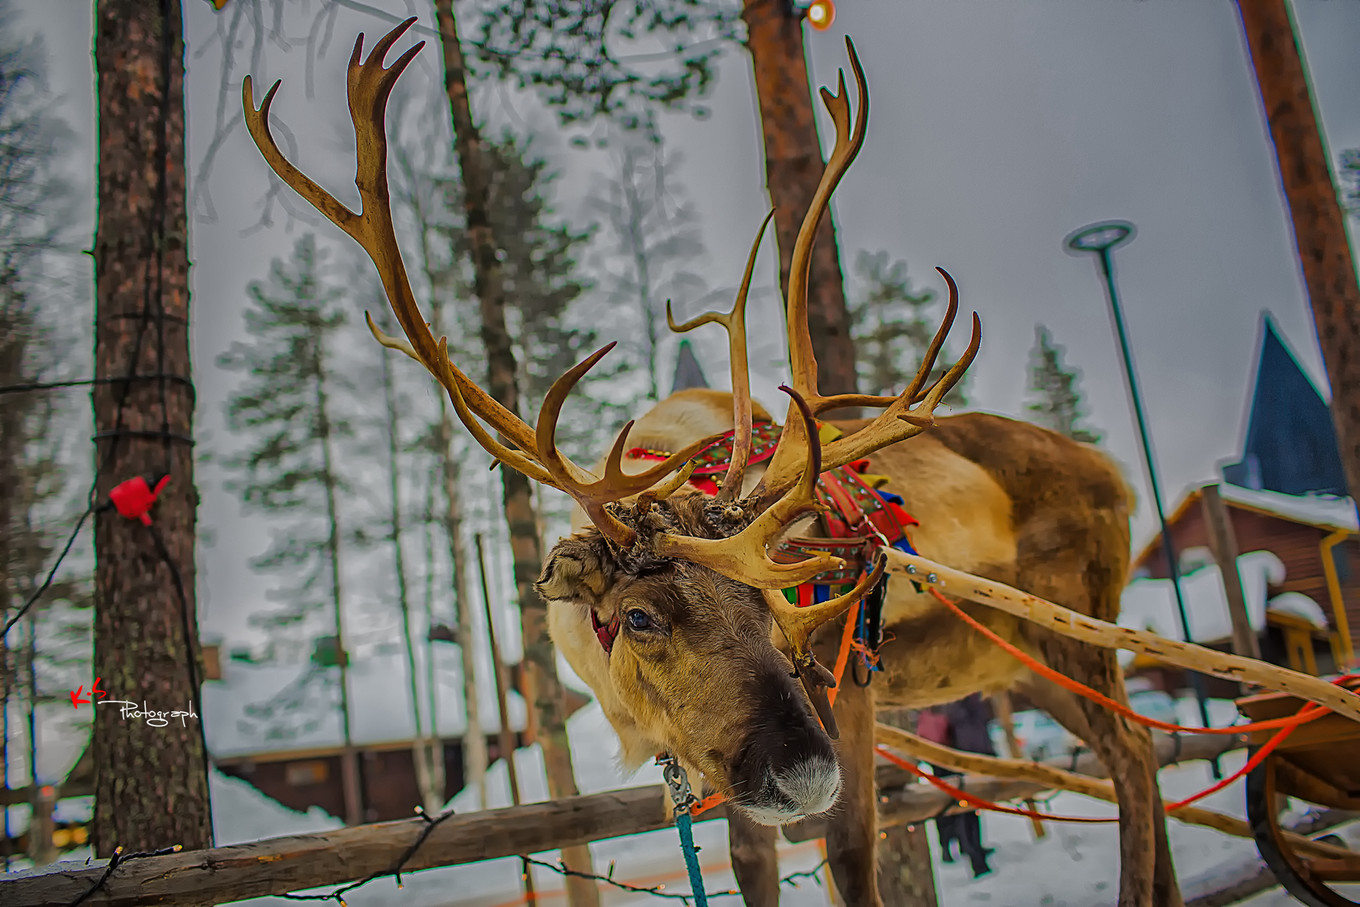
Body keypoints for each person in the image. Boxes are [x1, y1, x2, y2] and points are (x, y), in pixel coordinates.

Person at [918, 694, 998, 878]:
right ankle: (972, 854)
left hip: (960, 754)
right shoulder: (955, 698)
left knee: (965, 807)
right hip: (957, 755)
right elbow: (961, 719)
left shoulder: (962, 697)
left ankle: (968, 848)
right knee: (961, 808)